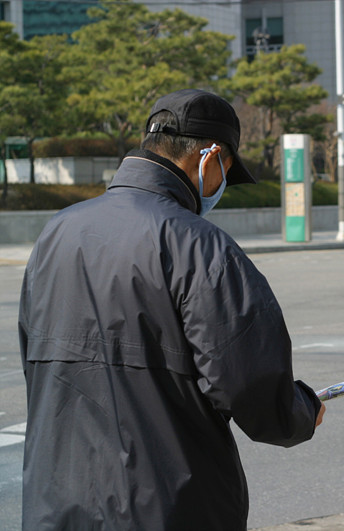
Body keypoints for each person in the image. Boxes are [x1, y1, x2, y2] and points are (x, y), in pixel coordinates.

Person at [18, 88, 325, 530]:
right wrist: (299, 412)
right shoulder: (199, 245)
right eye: (227, 172)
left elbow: (36, 364)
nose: (221, 186)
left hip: (58, 499)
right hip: (166, 503)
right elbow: (251, 386)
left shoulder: (57, 232)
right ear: (211, 157)